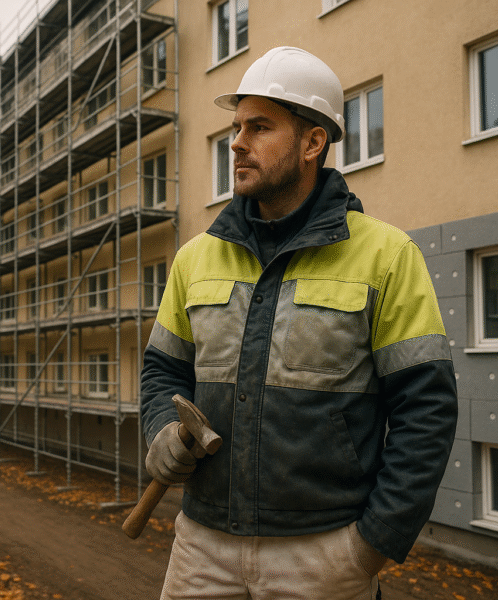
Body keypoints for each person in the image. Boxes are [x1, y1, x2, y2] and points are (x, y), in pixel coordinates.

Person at [140, 46, 458, 600]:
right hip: (200, 547)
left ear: (313, 143)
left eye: (259, 127)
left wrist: (373, 542)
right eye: (236, 127)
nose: (236, 143)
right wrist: (161, 431)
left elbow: (425, 409)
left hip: (325, 556)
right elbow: (162, 373)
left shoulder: (386, 256)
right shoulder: (196, 257)